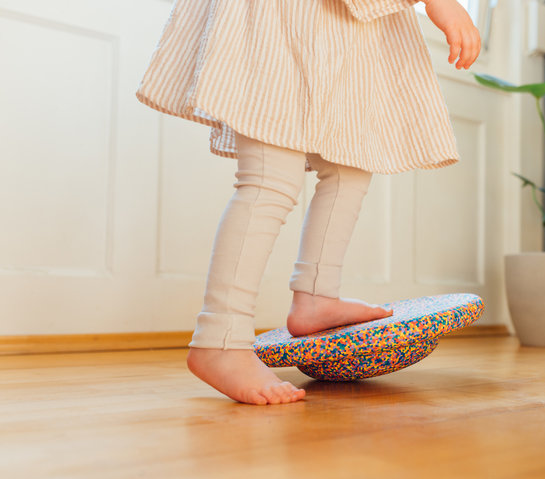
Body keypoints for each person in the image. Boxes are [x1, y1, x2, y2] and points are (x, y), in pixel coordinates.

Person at [136, 0, 481, 405]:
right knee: (269, 179)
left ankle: (316, 296)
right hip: (281, 18)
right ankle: (220, 338)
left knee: (351, 163)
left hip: (345, 28)